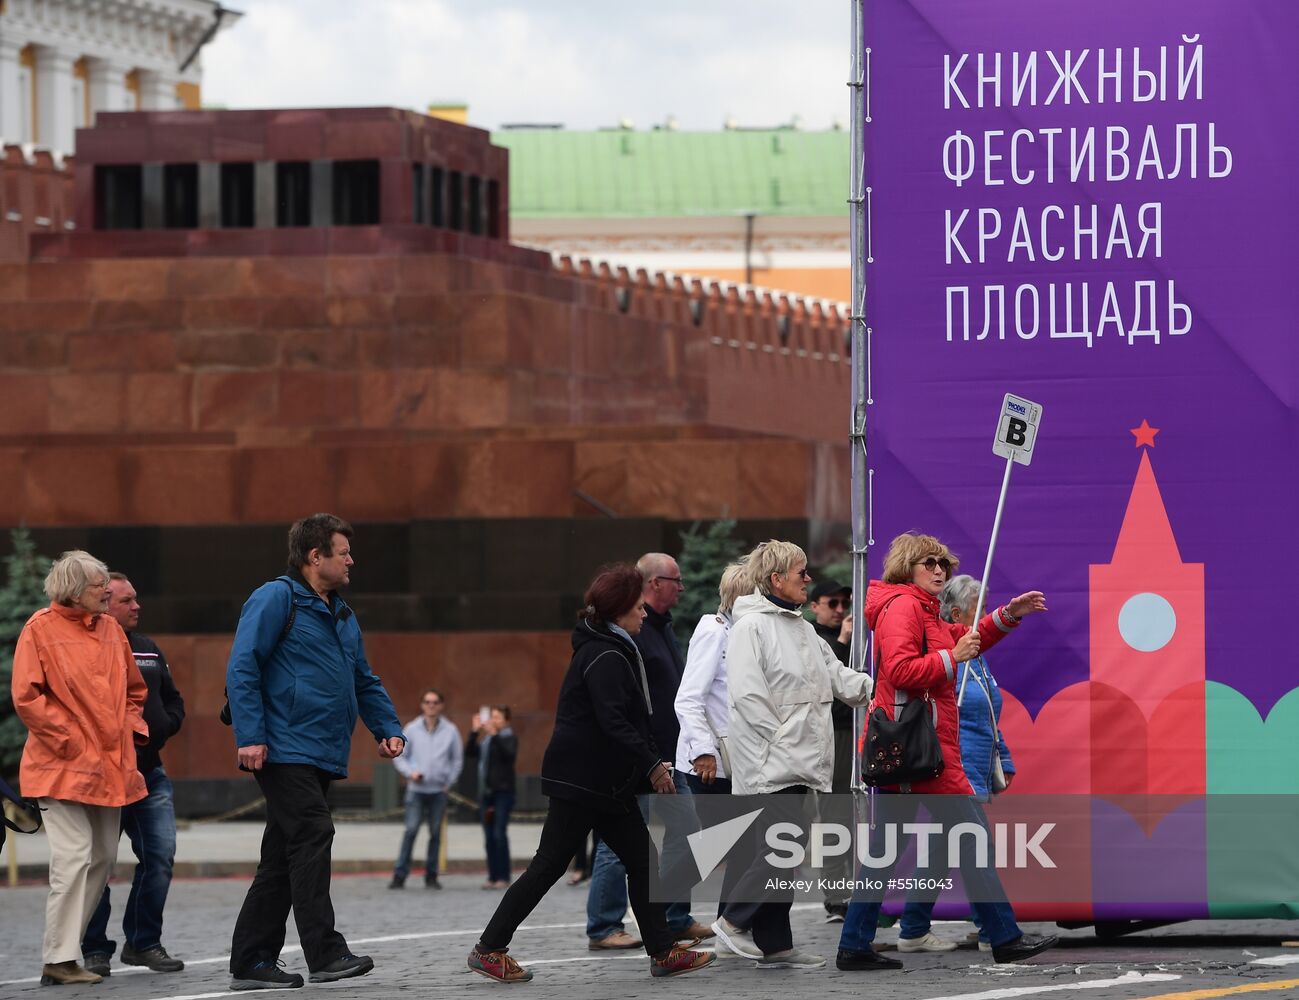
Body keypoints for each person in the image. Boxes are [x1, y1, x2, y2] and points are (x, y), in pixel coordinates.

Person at [467, 564, 715, 983]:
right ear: (619, 611)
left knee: (643, 861)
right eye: (637, 607)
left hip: (606, 785)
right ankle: (489, 949)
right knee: (548, 866)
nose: (643, 613)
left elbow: (627, 723)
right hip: (584, 783)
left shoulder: (612, 648)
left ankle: (662, 952)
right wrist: (653, 766)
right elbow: (614, 722)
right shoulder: (604, 655)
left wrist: (648, 765)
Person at [836, 532, 1057, 972]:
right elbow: (900, 670)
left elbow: (965, 635)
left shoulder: (920, 609)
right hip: (919, 751)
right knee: (971, 840)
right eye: (930, 563)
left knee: (886, 851)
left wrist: (1007, 615)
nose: (940, 570)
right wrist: (951, 658)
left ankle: (854, 944)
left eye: (944, 565)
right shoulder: (903, 607)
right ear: (907, 567)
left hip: (914, 751)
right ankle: (1004, 937)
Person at [225, 513, 406, 991]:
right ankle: (325, 953)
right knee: (312, 833)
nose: (351, 560)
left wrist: (387, 727)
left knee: (283, 857)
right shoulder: (275, 598)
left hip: (322, 750)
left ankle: (250, 961)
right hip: (283, 745)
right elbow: (243, 666)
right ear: (314, 556)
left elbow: (363, 679)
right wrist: (250, 735)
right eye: (342, 552)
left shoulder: (342, 613)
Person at [710, 540, 874, 970]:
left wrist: (878, 688)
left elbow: (836, 676)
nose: (808, 579)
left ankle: (776, 945)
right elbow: (747, 696)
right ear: (775, 579)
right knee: (784, 847)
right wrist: (780, 741)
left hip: (801, 759)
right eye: (801, 572)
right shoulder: (750, 628)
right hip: (771, 763)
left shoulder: (801, 628)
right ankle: (731, 921)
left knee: (782, 848)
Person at [11, 551, 149, 987]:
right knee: (72, 857)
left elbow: (134, 690)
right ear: (73, 590)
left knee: (103, 856)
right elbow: (27, 696)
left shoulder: (110, 629)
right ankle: (60, 956)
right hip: (61, 766)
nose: (107, 591)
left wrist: (130, 729)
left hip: (111, 766)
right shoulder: (39, 629)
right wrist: (70, 741)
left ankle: (65, 953)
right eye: (98, 586)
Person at [585, 552, 712, 949]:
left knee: (685, 833)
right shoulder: (630, 631)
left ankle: (674, 917)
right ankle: (604, 926)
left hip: (668, 754)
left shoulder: (660, 627)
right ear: (654, 583)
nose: (682, 587)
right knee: (617, 843)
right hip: (639, 758)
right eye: (676, 580)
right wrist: (647, 755)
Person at [895, 574, 1017, 953]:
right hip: (958, 769)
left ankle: (913, 927)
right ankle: (990, 930)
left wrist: (1005, 757)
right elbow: (950, 716)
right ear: (957, 613)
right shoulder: (956, 657)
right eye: (977, 606)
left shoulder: (978, 660)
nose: (982, 615)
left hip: (978, 766)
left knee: (946, 851)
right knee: (975, 847)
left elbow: (988, 716)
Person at [82, 573, 187, 977]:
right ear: (104, 604)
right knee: (98, 865)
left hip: (150, 774)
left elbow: (173, 700)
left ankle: (143, 943)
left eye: (137, 598)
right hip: (103, 778)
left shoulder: (147, 649)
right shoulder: (89, 649)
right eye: (127, 601)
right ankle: (94, 950)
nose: (136, 606)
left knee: (159, 857)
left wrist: (165, 725)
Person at [808, 577, 855, 922]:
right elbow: (828, 684)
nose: (840, 611)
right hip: (830, 734)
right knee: (835, 816)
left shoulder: (854, 639)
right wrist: (842, 642)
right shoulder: (811, 638)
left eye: (844, 604)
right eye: (832, 604)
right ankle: (836, 895)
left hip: (855, 731)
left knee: (853, 817)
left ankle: (851, 889)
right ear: (814, 606)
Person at [389, 688, 462, 890]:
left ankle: (431, 875)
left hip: (439, 791)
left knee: (436, 834)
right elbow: (400, 756)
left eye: (435, 702)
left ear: (441, 705)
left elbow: (456, 760)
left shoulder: (451, 730)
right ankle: (399, 875)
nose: (431, 705)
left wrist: (449, 781)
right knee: (411, 831)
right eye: (427, 702)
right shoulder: (411, 729)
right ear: (422, 705)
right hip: (416, 790)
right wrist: (410, 773)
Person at [466, 705, 518, 889]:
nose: (493, 721)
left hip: (503, 793)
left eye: (498, 718)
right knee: (488, 837)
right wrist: (474, 731)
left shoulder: (508, 738)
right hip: (486, 794)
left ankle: (503, 876)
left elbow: (508, 754)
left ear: (506, 721)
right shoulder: (487, 741)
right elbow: (470, 752)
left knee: (499, 833)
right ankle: (492, 875)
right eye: (492, 717)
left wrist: (494, 735)